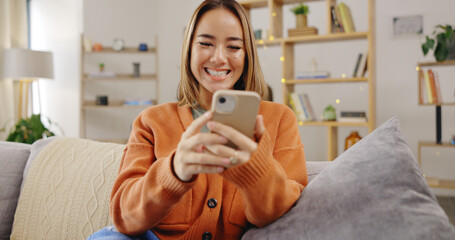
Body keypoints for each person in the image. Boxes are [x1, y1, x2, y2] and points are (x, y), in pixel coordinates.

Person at [88, 0, 307, 239]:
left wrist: (256, 173)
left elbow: (286, 213)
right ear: (189, 49)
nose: (219, 58)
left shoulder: (279, 119)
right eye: (205, 43)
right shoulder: (151, 121)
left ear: (247, 56)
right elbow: (123, 216)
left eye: (233, 47)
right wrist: (173, 171)